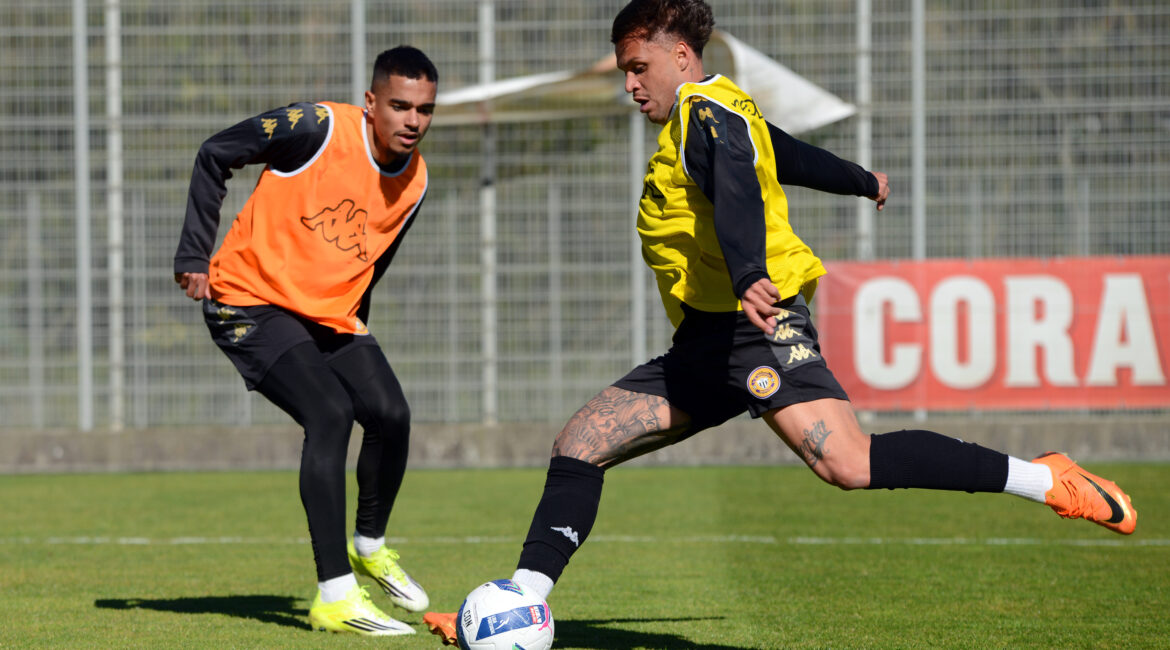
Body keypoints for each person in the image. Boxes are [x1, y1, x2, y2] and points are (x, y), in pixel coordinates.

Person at [423, 0, 1138, 643]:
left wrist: (746, 274)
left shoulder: (704, 114)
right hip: (707, 339)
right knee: (580, 442)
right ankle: (516, 605)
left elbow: (738, 183)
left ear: (681, 56)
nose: (631, 85)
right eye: (624, 72)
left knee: (847, 463)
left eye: (639, 67)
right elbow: (780, 152)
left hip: (755, 325)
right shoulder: (724, 111)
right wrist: (859, 179)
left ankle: (1047, 479)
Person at [174, 45, 439, 636]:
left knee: (391, 414)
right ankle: (335, 596)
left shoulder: (416, 180)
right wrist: (193, 254)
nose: (412, 120)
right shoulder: (316, 127)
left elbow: (372, 262)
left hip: (325, 315)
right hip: (246, 300)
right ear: (371, 103)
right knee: (330, 413)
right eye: (399, 106)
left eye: (424, 109)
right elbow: (215, 152)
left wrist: (356, 326)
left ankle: (369, 547)